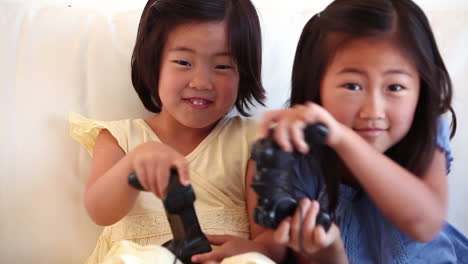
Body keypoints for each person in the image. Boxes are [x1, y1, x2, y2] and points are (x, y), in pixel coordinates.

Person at [69, 0, 283, 263]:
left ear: (244, 73)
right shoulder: (120, 138)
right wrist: (134, 164)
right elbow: (99, 211)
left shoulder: (253, 143)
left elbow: (270, 240)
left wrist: (258, 250)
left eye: (222, 66)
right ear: (153, 63)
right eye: (183, 62)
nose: (202, 82)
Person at [256, 0, 468, 263]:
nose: (373, 111)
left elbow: (424, 224)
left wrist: (343, 138)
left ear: (421, 90)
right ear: (317, 84)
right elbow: (286, 245)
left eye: (395, 87)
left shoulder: (426, 131)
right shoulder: (302, 157)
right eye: (353, 86)